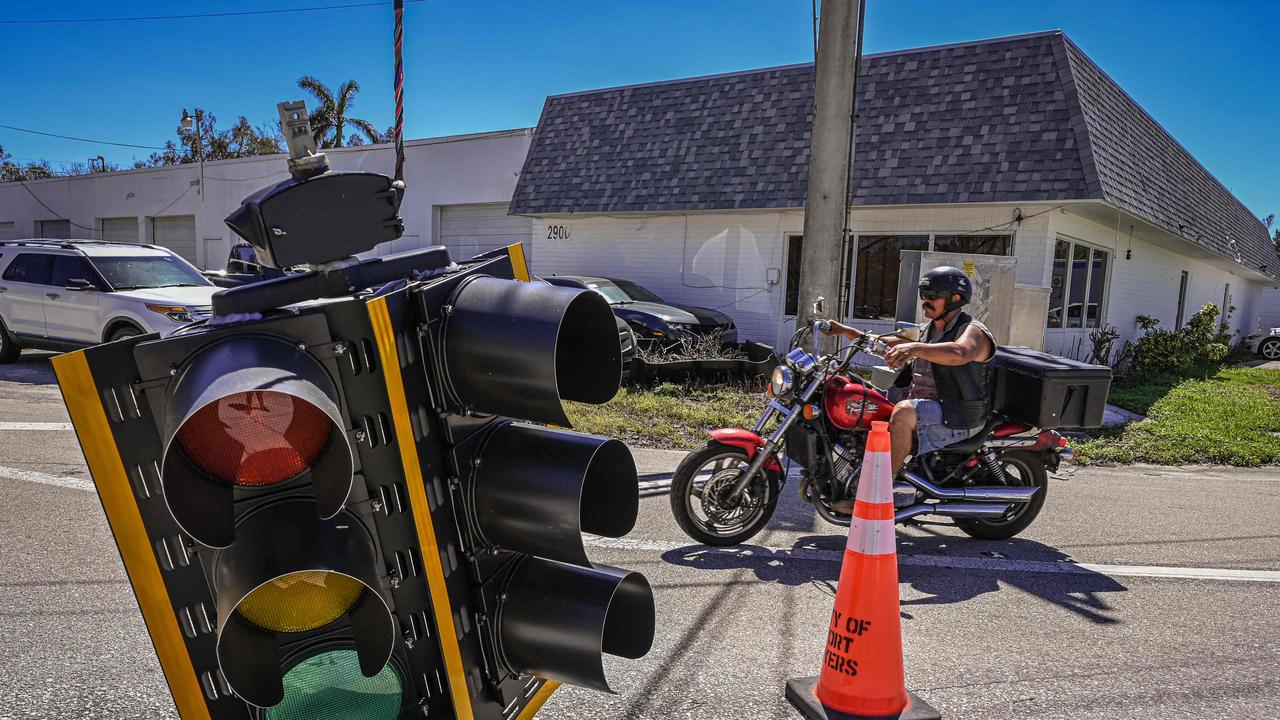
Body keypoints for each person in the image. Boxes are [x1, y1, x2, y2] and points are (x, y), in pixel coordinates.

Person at [823, 266, 996, 474]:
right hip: (924, 406)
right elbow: (885, 343)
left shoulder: (973, 330)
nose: (926, 300)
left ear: (955, 299)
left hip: (955, 413)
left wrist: (914, 348)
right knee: (863, 399)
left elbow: (960, 353)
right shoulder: (926, 331)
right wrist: (844, 331)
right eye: (923, 294)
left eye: (932, 295)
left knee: (903, 412)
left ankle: (884, 486)